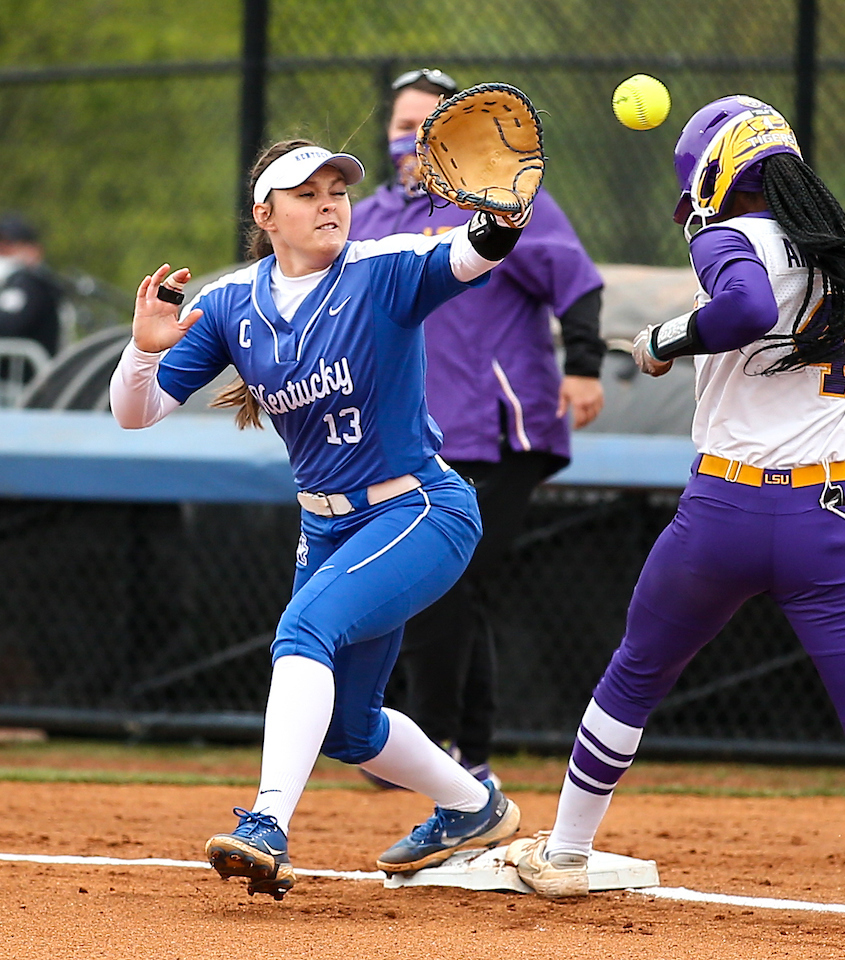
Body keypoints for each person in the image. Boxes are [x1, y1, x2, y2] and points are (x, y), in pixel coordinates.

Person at [506, 96, 845, 897]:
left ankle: (564, 855)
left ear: (716, 173)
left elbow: (745, 308)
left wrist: (663, 338)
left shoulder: (729, 237)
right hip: (827, 518)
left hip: (725, 513)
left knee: (635, 676)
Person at [109, 138, 534, 900]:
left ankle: (266, 823)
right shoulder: (232, 304)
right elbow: (134, 414)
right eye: (307, 193)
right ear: (265, 215)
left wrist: (504, 211)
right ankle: (475, 807)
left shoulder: (381, 271)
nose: (330, 200)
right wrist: (141, 352)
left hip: (420, 509)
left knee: (303, 632)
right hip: (327, 527)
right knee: (348, 729)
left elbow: (474, 253)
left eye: (337, 188)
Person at [348, 67, 606, 786]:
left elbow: (576, 280)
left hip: (499, 432)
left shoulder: (502, 201)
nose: (411, 136)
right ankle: (469, 758)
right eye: (402, 123)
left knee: (440, 582)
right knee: (450, 589)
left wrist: (583, 364)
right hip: (404, 441)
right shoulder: (367, 217)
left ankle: (430, 748)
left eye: (428, 122)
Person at [0, 213, 62, 357]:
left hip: (30, 378)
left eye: (7, 245)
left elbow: (6, 327)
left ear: (33, 250)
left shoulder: (33, 285)